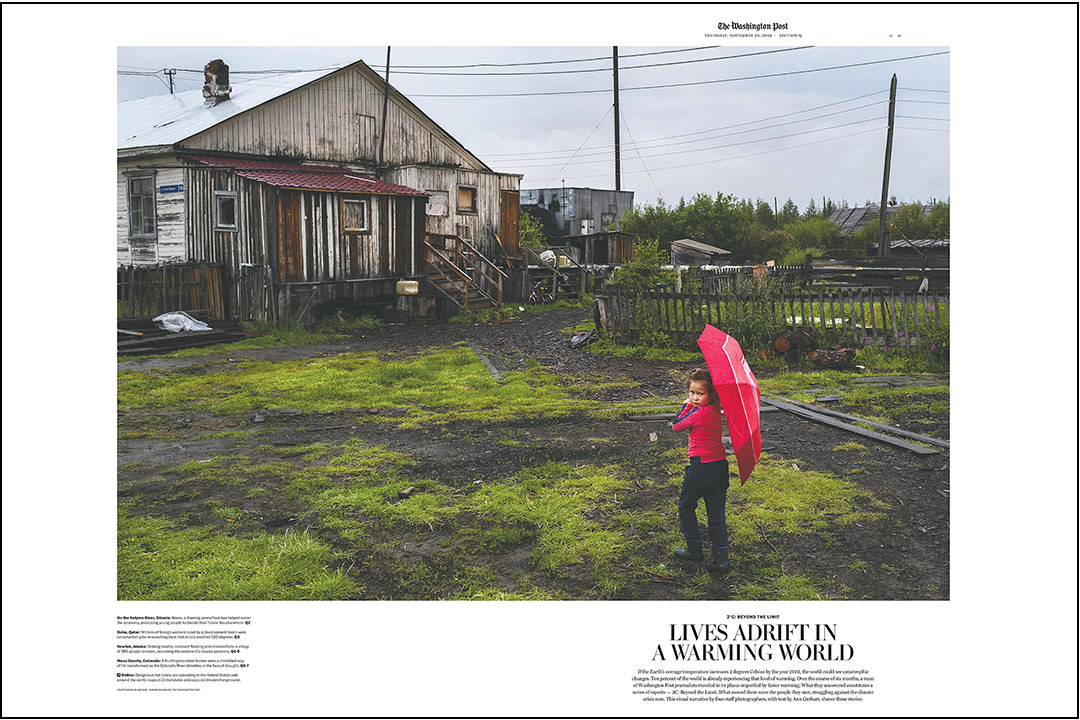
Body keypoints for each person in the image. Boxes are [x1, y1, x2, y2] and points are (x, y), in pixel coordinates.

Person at [669, 368, 731, 572]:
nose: (694, 397)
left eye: (700, 393)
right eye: (692, 393)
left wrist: (685, 407)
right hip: (720, 467)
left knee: (686, 506)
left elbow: (676, 426)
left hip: (701, 468)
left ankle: (694, 548)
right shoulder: (715, 407)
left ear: (711, 394)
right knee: (716, 514)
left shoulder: (698, 413)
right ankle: (721, 559)